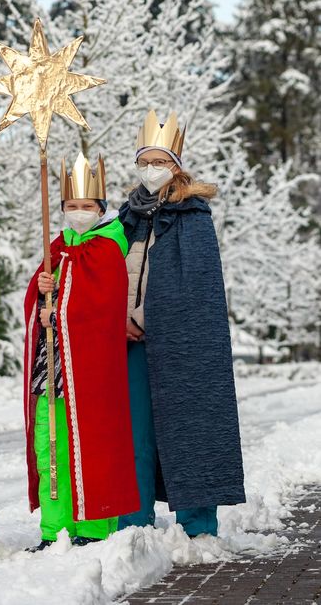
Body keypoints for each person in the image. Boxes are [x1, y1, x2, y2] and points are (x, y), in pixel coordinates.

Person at [117, 110, 245, 538]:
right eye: (145, 162)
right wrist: (119, 318)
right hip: (131, 343)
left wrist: (163, 320)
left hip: (182, 343)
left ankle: (198, 525)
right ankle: (133, 523)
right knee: (135, 433)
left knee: (190, 426)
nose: (151, 170)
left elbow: (200, 288)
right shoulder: (126, 218)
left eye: (160, 162)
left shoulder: (192, 216)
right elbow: (111, 275)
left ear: (175, 166)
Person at [22, 154, 140, 551]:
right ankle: (53, 530)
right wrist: (40, 292)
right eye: (71, 207)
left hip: (89, 373)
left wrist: (61, 304)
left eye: (87, 207)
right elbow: (38, 308)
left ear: (101, 209)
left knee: (91, 446)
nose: (78, 213)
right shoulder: (56, 248)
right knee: (49, 444)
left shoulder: (107, 250)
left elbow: (101, 309)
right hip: (51, 367)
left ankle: (93, 528)